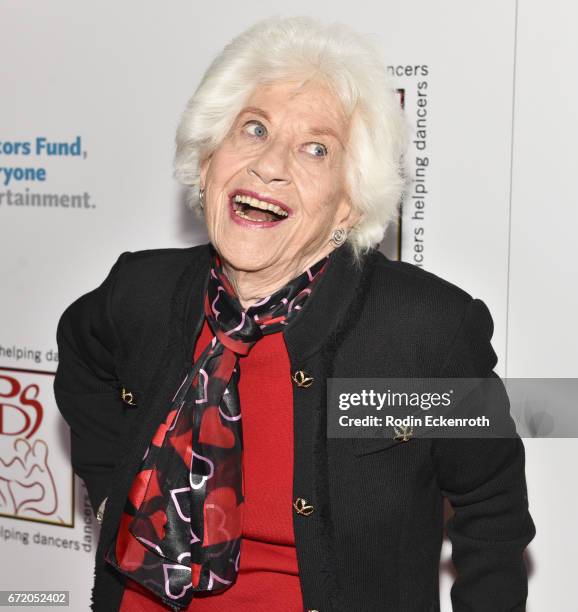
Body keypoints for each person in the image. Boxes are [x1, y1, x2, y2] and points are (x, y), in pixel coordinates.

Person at [54, 15, 535, 612]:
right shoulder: (141, 290)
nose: (271, 164)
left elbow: (493, 513)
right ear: (208, 163)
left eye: (316, 149)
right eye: (253, 129)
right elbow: (80, 355)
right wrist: (112, 489)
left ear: (348, 206)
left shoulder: (424, 332)